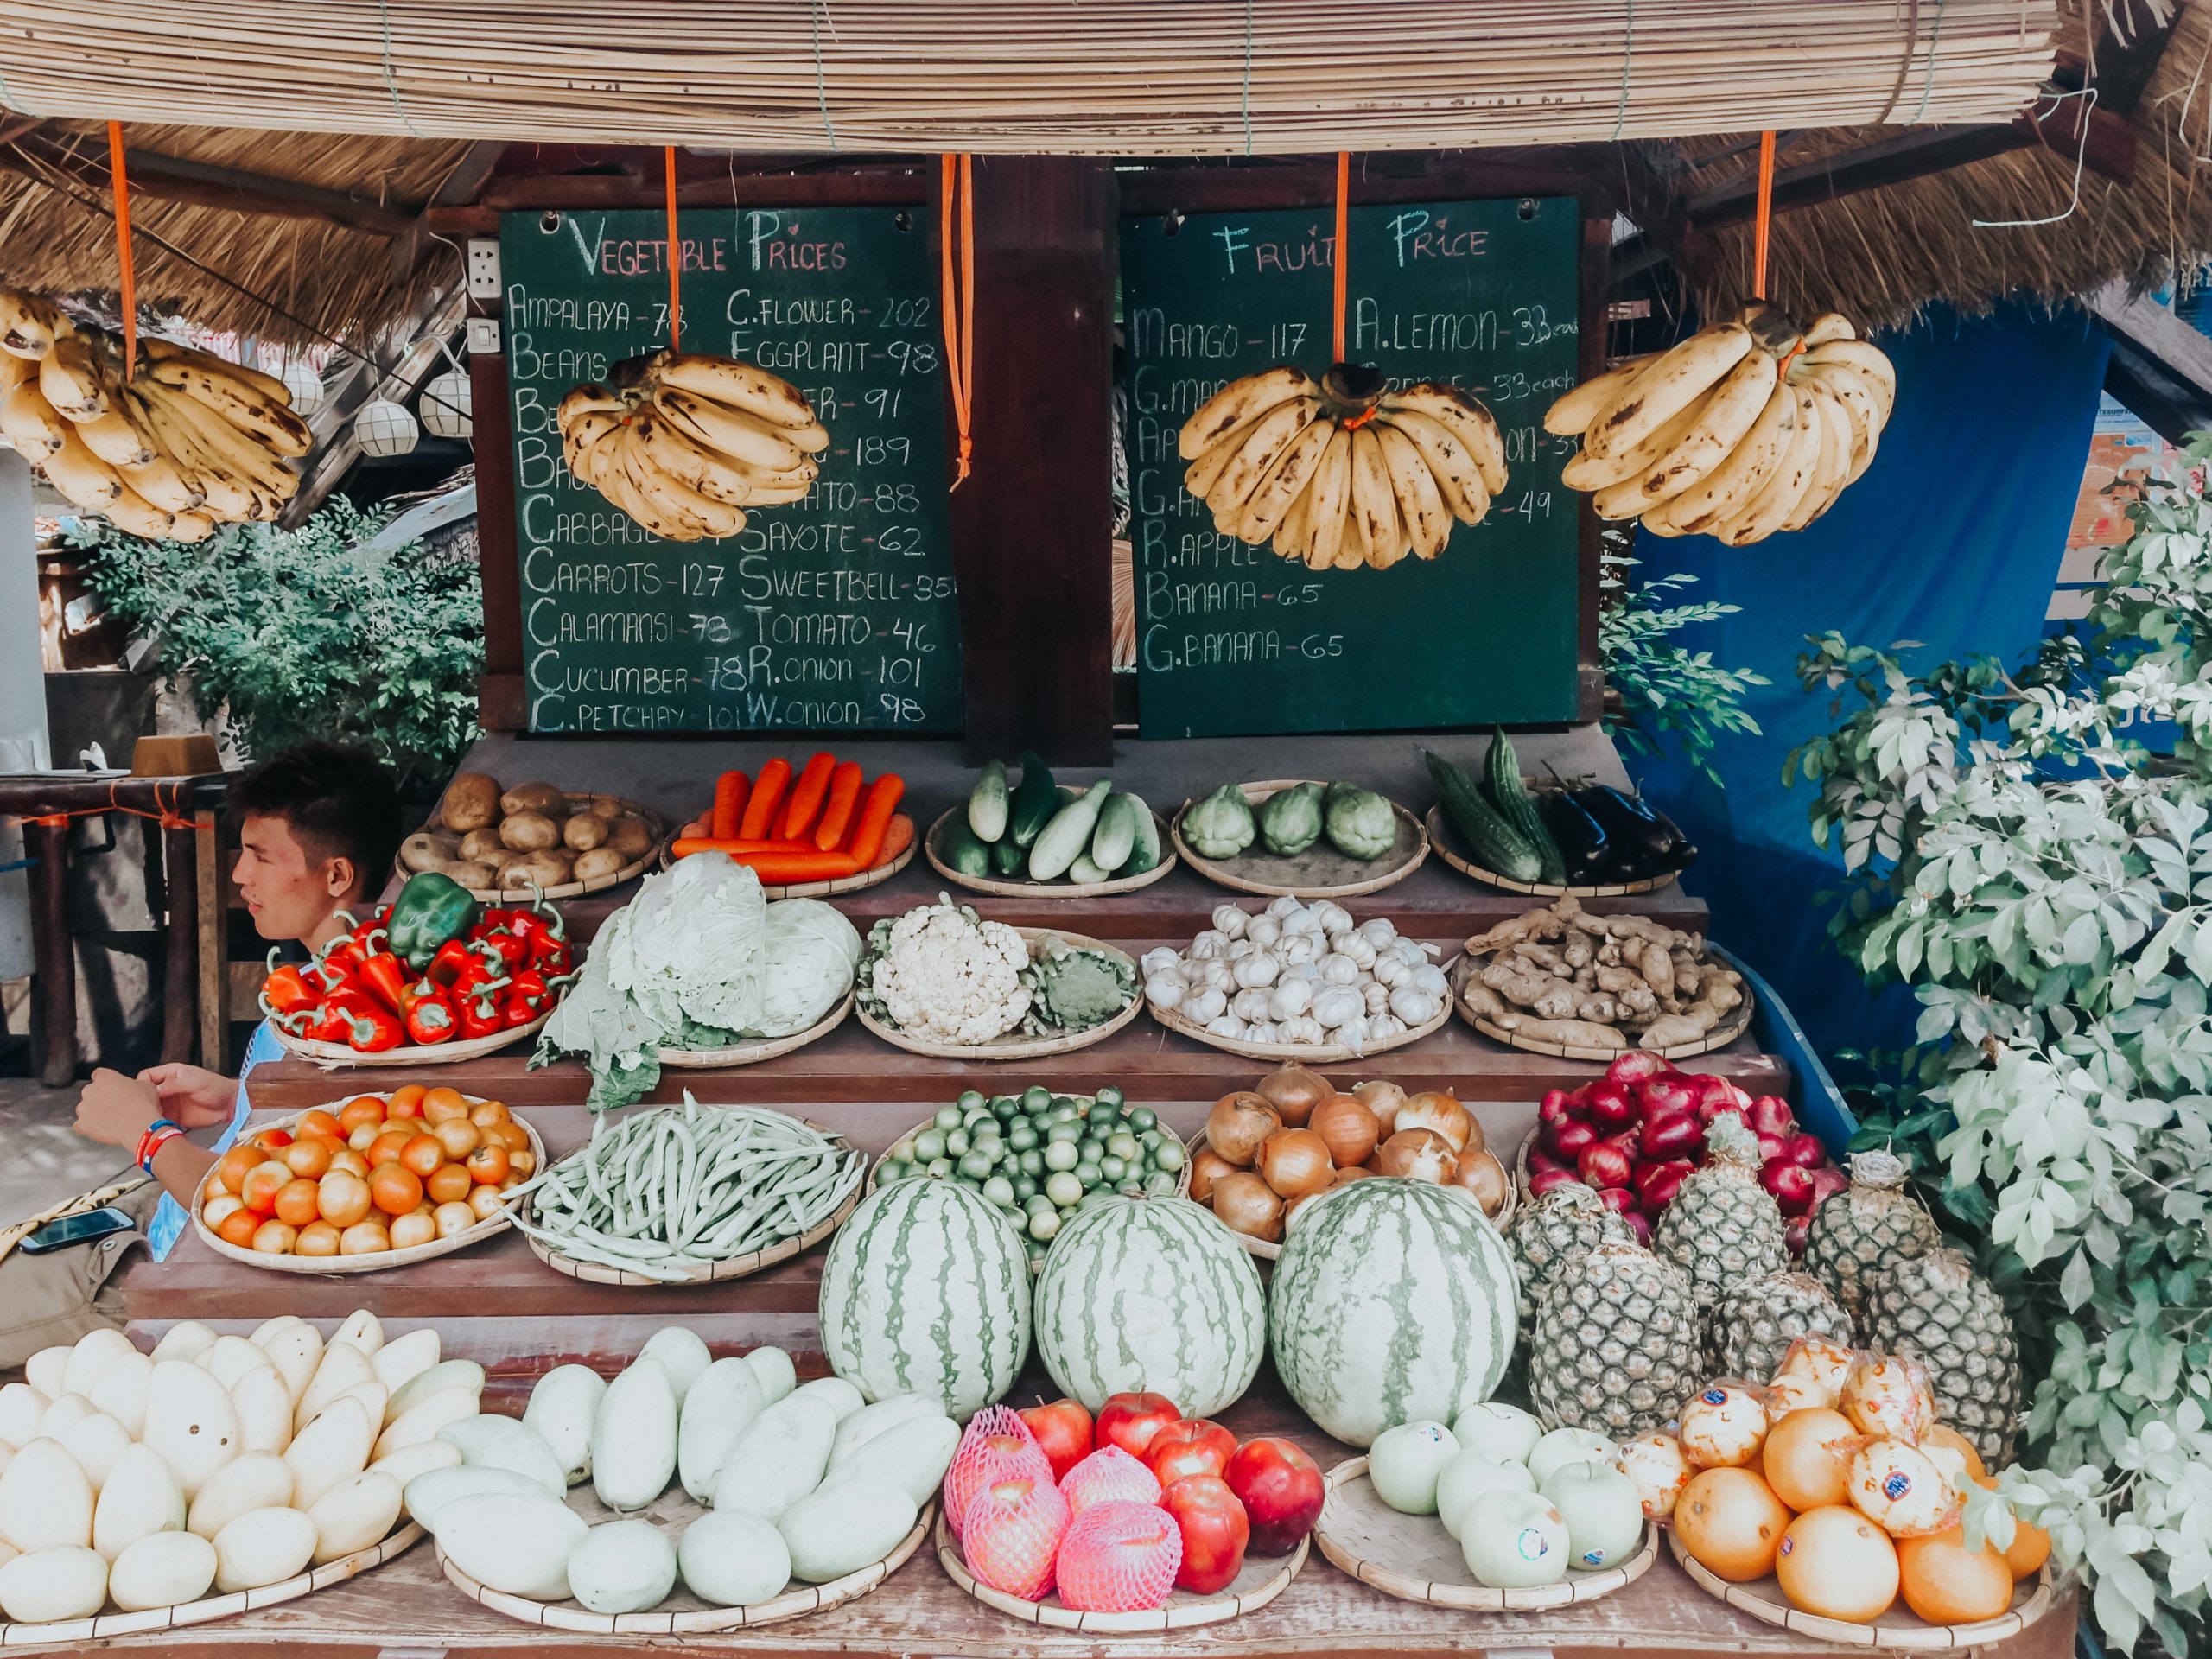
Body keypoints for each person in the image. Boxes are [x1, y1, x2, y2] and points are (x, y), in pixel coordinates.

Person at [0, 742, 401, 1368]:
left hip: (171, 1271)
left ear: (337, 876)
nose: (239, 875)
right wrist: (237, 1097)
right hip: (163, 1211)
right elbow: (312, 1130)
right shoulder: (327, 980)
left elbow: (268, 1213)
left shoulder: (350, 1021)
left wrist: (148, 1137)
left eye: (261, 856)